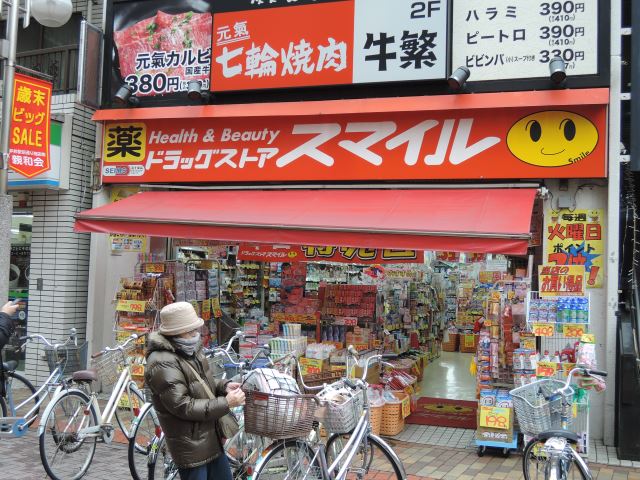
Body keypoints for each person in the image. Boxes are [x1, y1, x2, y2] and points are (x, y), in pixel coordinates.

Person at [145, 301, 245, 480]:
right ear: (176, 331)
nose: (196, 333)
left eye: (195, 328)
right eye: (190, 330)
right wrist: (226, 402)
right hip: (191, 446)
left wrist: (223, 386)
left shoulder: (189, 348)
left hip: (210, 438)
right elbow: (183, 405)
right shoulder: (162, 361)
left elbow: (200, 382)